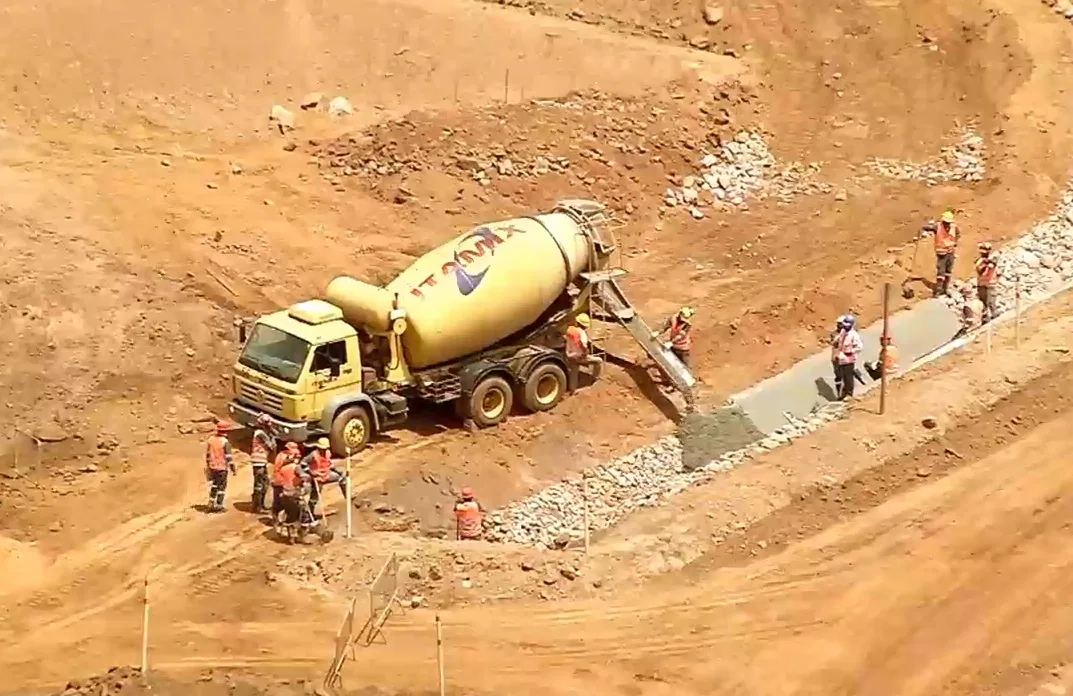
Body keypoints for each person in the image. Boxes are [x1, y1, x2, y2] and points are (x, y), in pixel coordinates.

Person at [300, 438, 346, 517]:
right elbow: (303, 463)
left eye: (325, 449)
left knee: (343, 479)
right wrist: (311, 472)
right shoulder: (313, 455)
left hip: (327, 475)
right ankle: (308, 514)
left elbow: (330, 465)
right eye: (322, 449)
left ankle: (347, 497)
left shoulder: (328, 453)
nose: (323, 450)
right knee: (315, 498)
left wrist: (338, 472)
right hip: (317, 478)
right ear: (318, 447)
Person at [204, 421, 237, 513]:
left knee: (214, 485)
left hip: (212, 466)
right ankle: (219, 505)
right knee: (221, 487)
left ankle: (210, 503)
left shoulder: (211, 440)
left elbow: (207, 454)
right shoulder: (225, 442)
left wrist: (208, 466)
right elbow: (228, 457)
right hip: (222, 467)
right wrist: (233, 468)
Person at [564, 313, 602, 392]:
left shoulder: (570, 330)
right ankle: (595, 379)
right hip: (579, 356)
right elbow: (583, 344)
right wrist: (585, 351)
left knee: (574, 371)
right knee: (598, 361)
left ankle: (572, 389)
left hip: (569, 355)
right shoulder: (582, 333)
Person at [249, 414, 277, 513]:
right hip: (258, 461)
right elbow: (271, 446)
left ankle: (258, 505)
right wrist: (273, 435)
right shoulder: (260, 434)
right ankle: (258, 507)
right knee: (260, 484)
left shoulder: (260, 433)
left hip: (261, 461)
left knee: (264, 483)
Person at [833, 315, 863, 401]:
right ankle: (844, 393)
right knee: (842, 376)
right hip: (841, 358)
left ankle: (849, 394)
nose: (845, 327)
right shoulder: (843, 332)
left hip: (849, 359)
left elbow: (859, 347)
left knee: (848, 377)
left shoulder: (854, 335)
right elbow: (838, 340)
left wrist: (851, 351)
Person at [271, 441, 301, 520]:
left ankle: (284, 519)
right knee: (278, 502)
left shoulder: (288, 456)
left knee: (286, 502)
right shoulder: (282, 456)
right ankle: (275, 519)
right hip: (279, 481)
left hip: (286, 481)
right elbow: (279, 466)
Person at [933, 210, 960, 297]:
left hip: (950, 251)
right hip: (941, 253)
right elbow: (927, 227)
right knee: (941, 272)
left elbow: (958, 234)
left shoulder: (954, 227)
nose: (946, 224)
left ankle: (945, 289)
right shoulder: (937, 226)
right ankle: (938, 290)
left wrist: (955, 242)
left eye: (948, 223)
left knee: (948, 272)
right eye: (945, 222)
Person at [974, 242, 999, 323]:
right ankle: (985, 319)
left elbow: (993, 264)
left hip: (989, 284)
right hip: (984, 284)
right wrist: (986, 264)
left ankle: (993, 316)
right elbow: (981, 271)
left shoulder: (991, 260)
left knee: (991, 302)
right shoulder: (980, 261)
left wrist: (989, 262)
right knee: (985, 303)